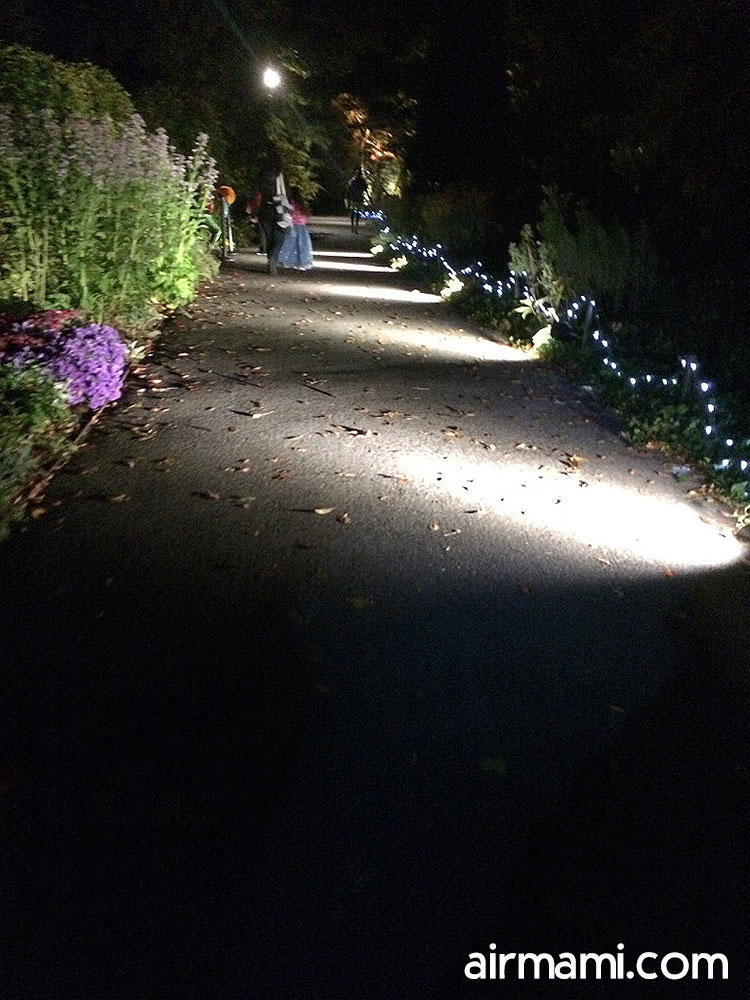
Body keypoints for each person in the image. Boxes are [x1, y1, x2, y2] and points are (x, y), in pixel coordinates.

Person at [254, 151, 289, 274]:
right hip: (279, 209)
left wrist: (254, 211)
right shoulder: (280, 176)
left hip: (264, 209)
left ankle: (270, 258)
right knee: (280, 234)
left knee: (268, 236)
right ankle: (273, 257)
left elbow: (256, 193)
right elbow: (287, 193)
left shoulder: (260, 176)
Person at [276, 188, 314, 271]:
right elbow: (305, 216)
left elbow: (288, 213)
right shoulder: (301, 204)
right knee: (302, 245)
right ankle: (302, 262)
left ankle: (287, 261)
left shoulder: (290, 202)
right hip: (302, 226)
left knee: (290, 243)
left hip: (293, 224)